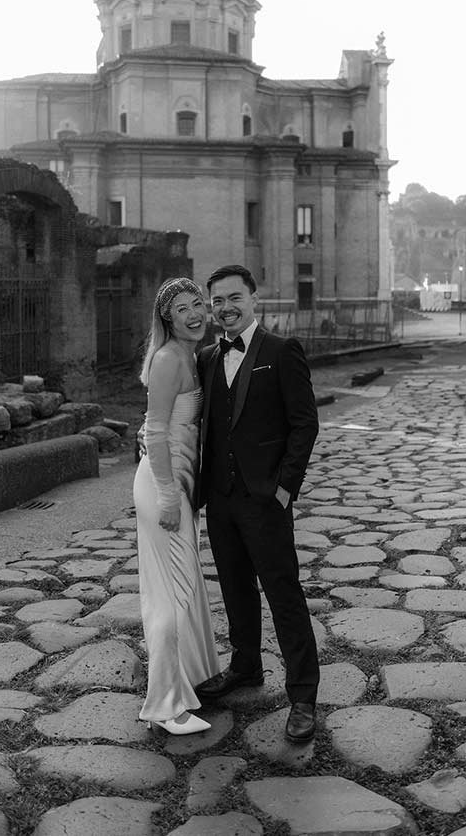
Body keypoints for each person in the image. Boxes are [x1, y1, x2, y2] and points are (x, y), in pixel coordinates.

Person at [194, 264, 320, 742]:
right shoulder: (207, 358)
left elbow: (304, 423)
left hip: (266, 499)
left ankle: (303, 694)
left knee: (283, 594)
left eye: (234, 298)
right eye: (217, 301)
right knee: (235, 588)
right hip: (221, 498)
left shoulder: (281, 351)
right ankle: (245, 665)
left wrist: (285, 488)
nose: (225, 308)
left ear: (253, 299)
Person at [133, 276, 220, 735]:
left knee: (181, 588)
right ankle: (166, 707)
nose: (194, 314)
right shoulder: (169, 358)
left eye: (197, 304)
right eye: (182, 308)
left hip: (180, 484)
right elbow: (155, 431)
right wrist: (168, 495)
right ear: (167, 318)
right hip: (163, 488)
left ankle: (188, 679)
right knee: (173, 592)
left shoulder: (193, 355)